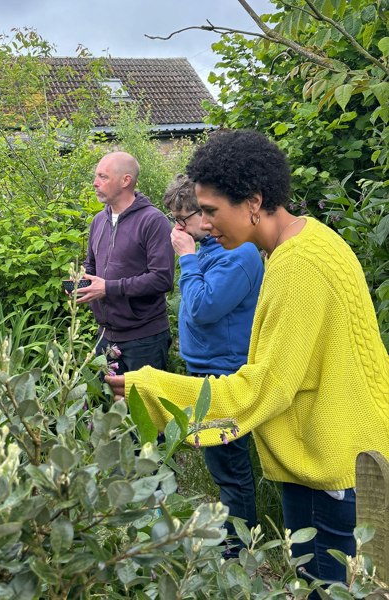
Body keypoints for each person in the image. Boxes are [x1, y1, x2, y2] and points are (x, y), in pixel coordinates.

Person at [106, 129, 389, 583]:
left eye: (213, 211)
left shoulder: (296, 268)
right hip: (359, 452)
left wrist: (152, 388)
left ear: (254, 202)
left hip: (330, 471)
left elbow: (264, 387)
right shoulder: (317, 240)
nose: (206, 224)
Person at [164, 174, 264, 554]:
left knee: (231, 463)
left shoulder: (237, 254)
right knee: (219, 460)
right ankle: (234, 539)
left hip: (225, 369)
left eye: (182, 218)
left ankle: (239, 549)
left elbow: (204, 309)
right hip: (204, 366)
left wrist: (186, 258)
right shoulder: (207, 249)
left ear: (205, 214)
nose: (179, 227)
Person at [77, 151, 175, 374]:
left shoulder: (153, 221)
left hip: (145, 338)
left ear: (126, 181)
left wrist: (108, 288)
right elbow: (91, 265)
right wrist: (82, 284)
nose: (95, 183)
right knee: (109, 406)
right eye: (96, 176)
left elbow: (162, 279)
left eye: (103, 177)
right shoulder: (98, 221)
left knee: (143, 408)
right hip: (106, 336)